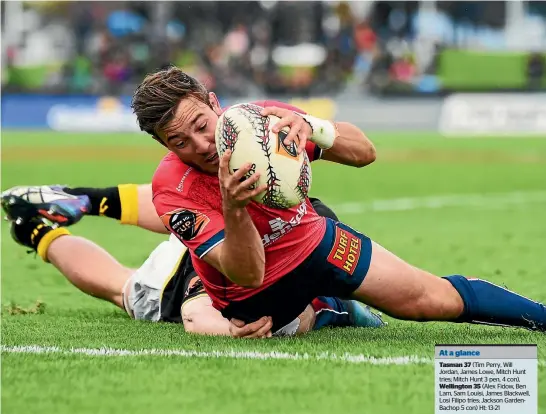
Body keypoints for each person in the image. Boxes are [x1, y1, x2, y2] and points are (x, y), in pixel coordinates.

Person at [131, 66, 546, 336]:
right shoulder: (172, 188)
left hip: (314, 242)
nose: (201, 146)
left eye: (202, 126)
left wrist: (313, 127)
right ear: (164, 146)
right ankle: (334, 307)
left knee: (430, 300)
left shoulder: (260, 122)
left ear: (213, 103)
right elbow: (249, 273)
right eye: (179, 142)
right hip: (254, 297)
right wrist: (233, 207)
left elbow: (365, 153)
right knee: (284, 324)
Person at [1, 184, 384, 338]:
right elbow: (196, 315)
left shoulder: (276, 219)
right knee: (123, 288)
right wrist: (233, 333)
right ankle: (40, 232)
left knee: (183, 209)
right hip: (179, 275)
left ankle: (58, 215)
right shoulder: (230, 267)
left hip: (212, 237)